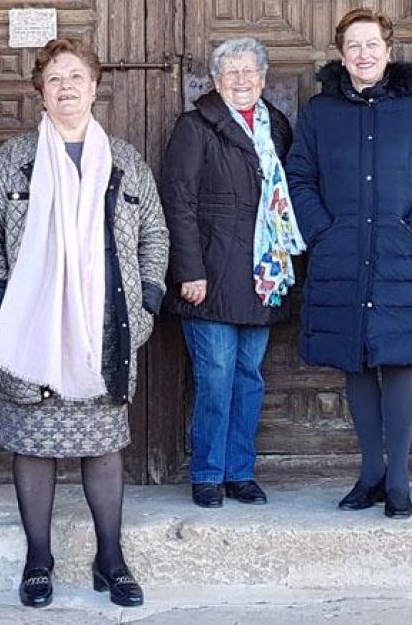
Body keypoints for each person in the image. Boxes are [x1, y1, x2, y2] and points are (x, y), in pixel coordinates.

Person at [0, 37, 169, 609]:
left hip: (105, 327)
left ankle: (111, 559)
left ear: (95, 87)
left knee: (103, 444)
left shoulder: (124, 161)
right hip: (30, 325)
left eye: (76, 77)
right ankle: (38, 559)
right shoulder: (14, 160)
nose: (67, 88)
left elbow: (154, 234)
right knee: (34, 441)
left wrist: (146, 303)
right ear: (40, 93)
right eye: (55, 79)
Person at [286, 8, 412, 518]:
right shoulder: (320, 113)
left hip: (398, 255)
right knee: (356, 365)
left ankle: (400, 481)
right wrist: (323, 229)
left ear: (389, 50)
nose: (364, 54)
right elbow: (299, 176)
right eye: (353, 46)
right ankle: (370, 475)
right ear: (342, 55)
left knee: (398, 363)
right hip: (342, 254)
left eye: (372, 45)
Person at [159, 37, 300, 509]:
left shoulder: (275, 127)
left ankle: (240, 472)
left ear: (262, 79)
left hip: (261, 275)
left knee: (249, 377)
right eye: (231, 72)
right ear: (216, 81)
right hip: (212, 273)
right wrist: (188, 271)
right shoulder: (195, 127)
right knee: (216, 376)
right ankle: (207, 473)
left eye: (249, 72)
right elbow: (178, 202)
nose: (241, 80)